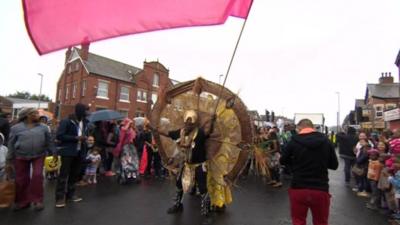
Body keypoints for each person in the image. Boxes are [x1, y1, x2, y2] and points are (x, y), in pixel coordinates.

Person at [154, 110, 215, 219]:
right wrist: (155, 130)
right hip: (186, 165)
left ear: (194, 124)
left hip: (199, 165)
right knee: (179, 185)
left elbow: (208, 132)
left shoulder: (199, 133)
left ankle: (206, 212)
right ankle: (177, 205)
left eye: (190, 124)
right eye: (186, 123)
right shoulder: (181, 132)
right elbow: (169, 134)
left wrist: (213, 121)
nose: (187, 125)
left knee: (202, 188)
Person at [280, 119, 338, 225]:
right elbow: (334, 165)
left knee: (298, 220)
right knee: (321, 222)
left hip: (299, 187)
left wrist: (294, 164)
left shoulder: (293, 141)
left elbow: (283, 160)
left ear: (300, 128)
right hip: (320, 189)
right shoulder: (326, 141)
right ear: (313, 127)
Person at [6, 108, 54, 211]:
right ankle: (23, 201)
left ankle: (38, 200)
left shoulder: (44, 127)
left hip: (39, 155)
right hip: (20, 155)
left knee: (37, 176)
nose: (38, 115)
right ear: (28, 115)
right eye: (35, 113)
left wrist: (53, 152)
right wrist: (9, 159)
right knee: (21, 179)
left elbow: (49, 141)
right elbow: (11, 144)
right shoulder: (16, 128)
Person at [54, 103, 89, 208]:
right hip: (68, 151)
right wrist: (76, 138)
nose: (87, 113)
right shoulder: (66, 121)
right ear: (79, 111)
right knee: (63, 175)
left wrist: (85, 138)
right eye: (86, 111)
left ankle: (71, 194)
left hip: (79, 151)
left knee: (74, 174)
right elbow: (60, 136)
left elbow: (84, 134)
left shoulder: (85, 122)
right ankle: (60, 198)